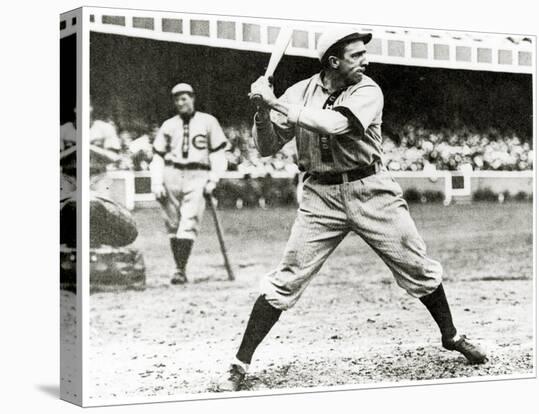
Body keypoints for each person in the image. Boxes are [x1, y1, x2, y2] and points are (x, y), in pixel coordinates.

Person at [218, 28, 487, 391]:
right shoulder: (299, 91)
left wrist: (277, 102)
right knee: (286, 278)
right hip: (319, 197)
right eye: (356, 55)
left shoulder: (367, 89)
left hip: (370, 189)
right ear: (333, 61)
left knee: (417, 266)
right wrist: (262, 110)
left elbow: (335, 123)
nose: (366, 59)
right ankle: (240, 362)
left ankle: (451, 335)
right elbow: (266, 147)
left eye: (364, 53)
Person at [150, 83, 228, 284]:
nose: (180, 102)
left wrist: (214, 179)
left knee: (189, 220)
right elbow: (157, 156)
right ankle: (180, 269)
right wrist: (157, 182)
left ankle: (179, 269)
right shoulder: (168, 124)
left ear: (193, 98)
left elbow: (218, 153)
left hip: (198, 174)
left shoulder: (208, 121)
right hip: (172, 172)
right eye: (176, 99)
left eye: (184, 98)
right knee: (173, 223)